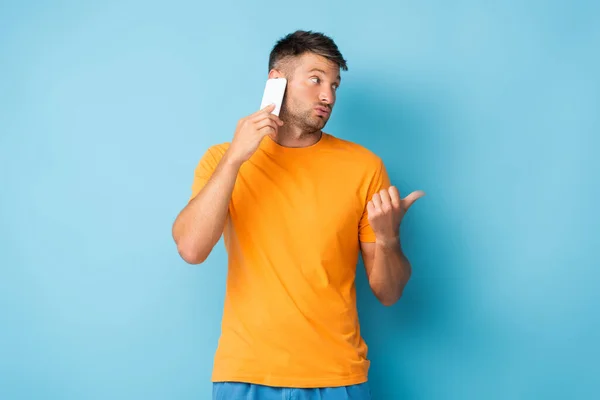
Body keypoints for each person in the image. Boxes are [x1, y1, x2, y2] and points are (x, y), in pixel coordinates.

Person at [172, 30, 425, 400]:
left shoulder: (364, 167)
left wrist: (388, 239)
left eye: (335, 85)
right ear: (277, 81)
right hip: (247, 373)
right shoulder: (222, 160)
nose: (328, 96)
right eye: (316, 80)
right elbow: (191, 249)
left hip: (338, 377)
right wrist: (235, 159)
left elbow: (388, 292)